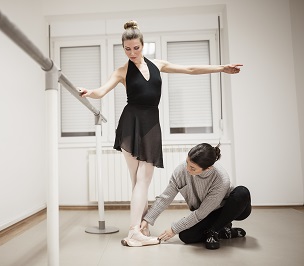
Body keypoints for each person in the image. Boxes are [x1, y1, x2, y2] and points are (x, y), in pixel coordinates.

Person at [79, 20, 243, 247]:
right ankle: (134, 232)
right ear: (123, 48)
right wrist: (89, 92)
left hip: (150, 124)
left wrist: (221, 68)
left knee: (138, 182)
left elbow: (190, 69)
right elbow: (102, 90)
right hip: (131, 123)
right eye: (127, 49)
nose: (132, 52)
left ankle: (139, 229)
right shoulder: (122, 71)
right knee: (141, 181)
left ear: (142, 45)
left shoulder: (157, 64)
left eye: (136, 48)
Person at [141, 143, 251, 249]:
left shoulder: (221, 179)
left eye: (192, 168)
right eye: (187, 163)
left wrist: (173, 229)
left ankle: (214, 231)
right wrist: (147, 220)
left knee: (242, 192)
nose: (187, 169)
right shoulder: (181, 170)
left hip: (230, 210)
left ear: (208, 168)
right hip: (208, 213)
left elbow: (200, 213)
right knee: (186, 236)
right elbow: (166, 197)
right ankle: (225, 231)